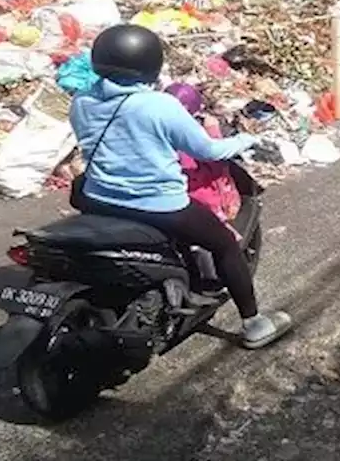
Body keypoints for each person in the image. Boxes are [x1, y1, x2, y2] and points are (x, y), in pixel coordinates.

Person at [69, 24, 293, 350]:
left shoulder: (82, 101)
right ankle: (254, 324)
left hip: (98, 198)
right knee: (225, 245)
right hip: (158, 206)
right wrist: (246, 139)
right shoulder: (160, 105)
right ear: (150, 64)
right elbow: (208, 151)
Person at [163, 82, 242, 240]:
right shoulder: (192, 136)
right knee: (226, 243)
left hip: (166, 198)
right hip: (202, 200)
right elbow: (214, 159)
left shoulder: (156, 130)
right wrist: (213, 131)